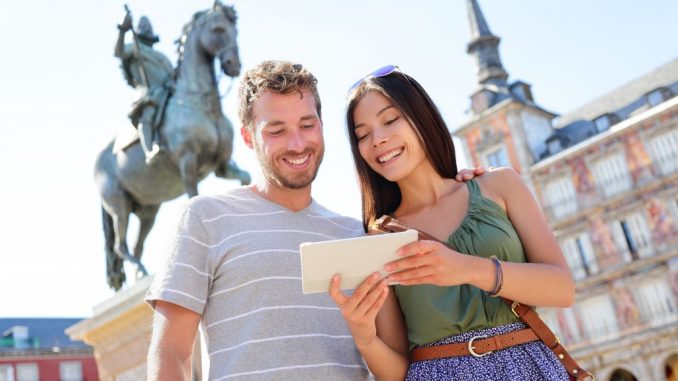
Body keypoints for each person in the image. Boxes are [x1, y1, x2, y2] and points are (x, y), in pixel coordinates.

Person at [145, 61, 484, 380]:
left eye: (307, 125)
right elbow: (171, 355)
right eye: (276, 130)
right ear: (248, 137)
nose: (297, 144)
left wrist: (460, 185)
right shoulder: (206, 218)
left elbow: (398, 367)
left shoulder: (358, 234)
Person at [329, 65, 575, 381]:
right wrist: (365, 338)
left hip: (529, 367)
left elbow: (562, 289)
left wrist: (466, 268)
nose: (378, 139)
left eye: (390, 120)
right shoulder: (379, 237)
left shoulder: (499, 185)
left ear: (422, 117)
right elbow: (397, 374)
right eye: (362, 135)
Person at [114, 10, 174, 163]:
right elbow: (118, 52)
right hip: (148, 94)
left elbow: (173, 76)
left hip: (167, 92)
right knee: (148, 112)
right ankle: (149, 150)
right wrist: (122, 30)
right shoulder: (134, 48)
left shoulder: (162, 57)